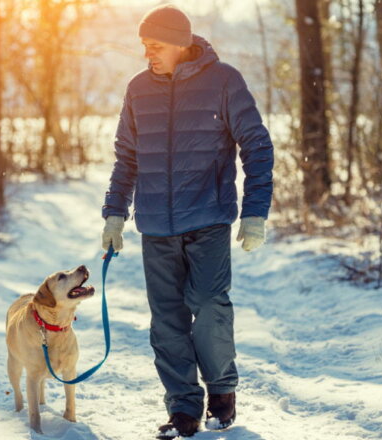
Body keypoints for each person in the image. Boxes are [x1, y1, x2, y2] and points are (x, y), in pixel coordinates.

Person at [101, 4, 273, 438]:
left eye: (155, 46)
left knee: (211, 307)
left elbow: (257, 145)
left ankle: (221, 393)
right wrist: (115, 214)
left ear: (180, 43)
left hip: (208, 220)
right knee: (167, 321)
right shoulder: (138, 89)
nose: (148, 55)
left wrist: (255, 212)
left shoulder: (224, 81)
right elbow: (127, 158)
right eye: (144, 46)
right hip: (156, 227)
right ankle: (182, 408)